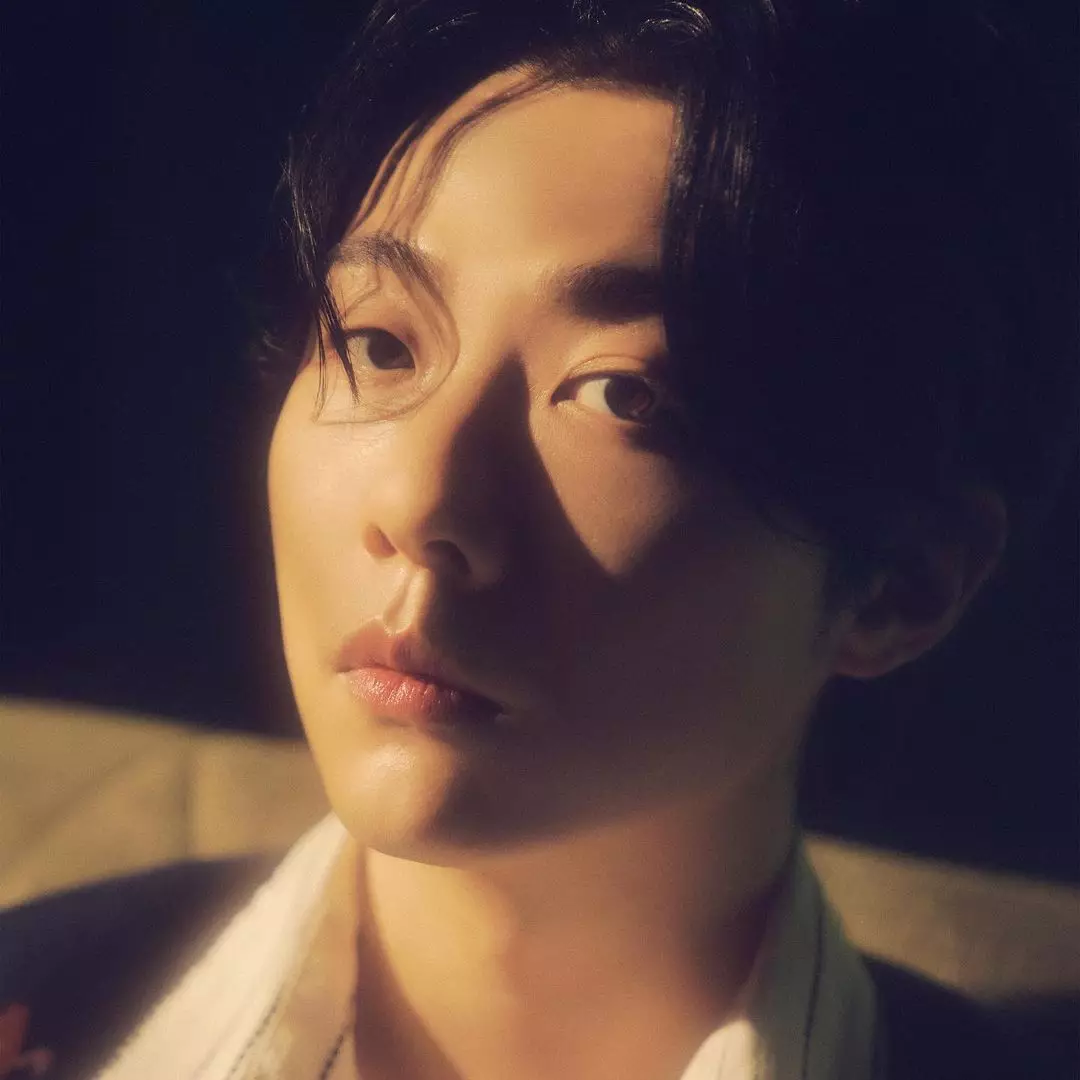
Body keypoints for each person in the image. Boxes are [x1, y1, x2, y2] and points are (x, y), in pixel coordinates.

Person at [1, 1, 1075, 1077]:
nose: (421, 503)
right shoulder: (42, 1001)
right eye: (378, 343)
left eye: (624, 395)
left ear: (900, 583)